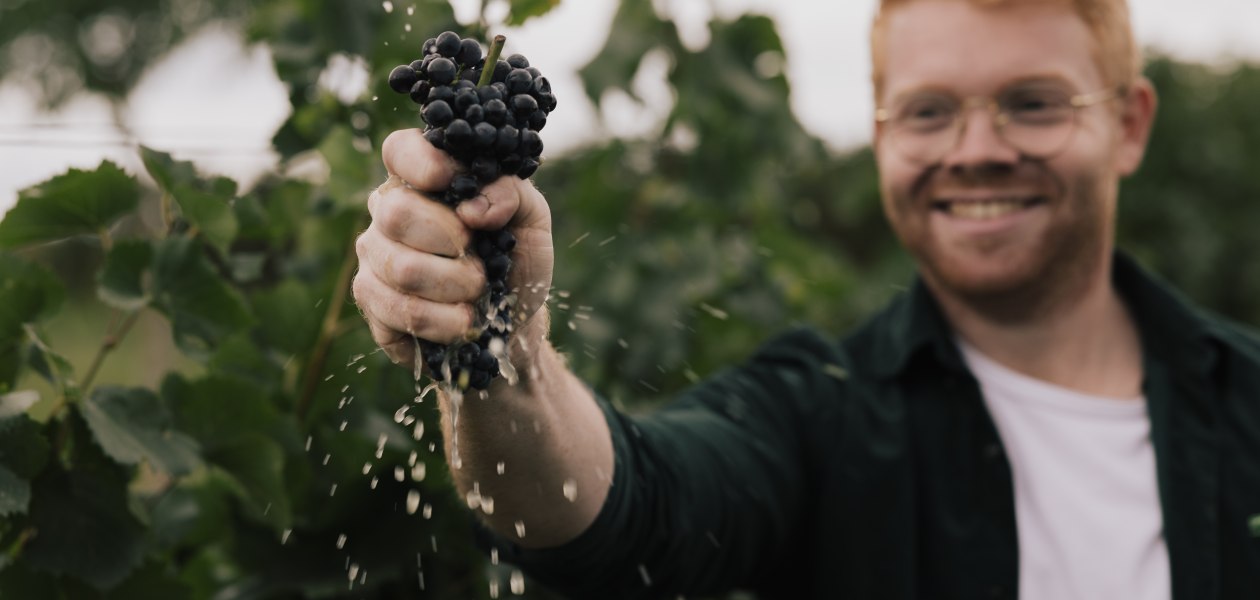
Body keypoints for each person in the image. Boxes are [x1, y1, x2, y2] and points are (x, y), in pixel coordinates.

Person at [351, 0, 1260, 597]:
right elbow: (625, 515)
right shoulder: (818, 411)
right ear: (882, 134)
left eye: (1033, 103)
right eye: (929, 110)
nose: (978, 149)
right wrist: (501, 351)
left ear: (1129, 125)